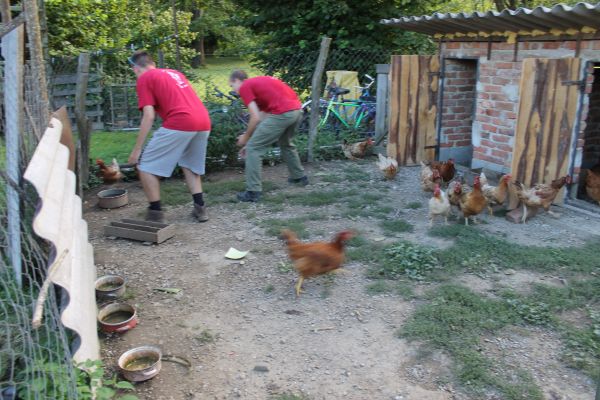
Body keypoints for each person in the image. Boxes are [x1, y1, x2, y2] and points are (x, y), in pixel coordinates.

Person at [127, 51, 211, 223]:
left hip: (181, 121)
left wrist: (137, 150)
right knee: (190, 165)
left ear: (135, 68)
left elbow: (148, 116)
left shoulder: (144, 78)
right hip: (203, 121)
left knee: (146, 167)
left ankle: (155, 213)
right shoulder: (174, 73)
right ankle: (200, 209)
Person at [229, 70, 308, 202]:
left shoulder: (245, 87)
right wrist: (251, 139)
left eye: (232, 86)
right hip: (297, 111)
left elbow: (254, 117)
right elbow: (261, 117)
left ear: (237, 80)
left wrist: (247, 139)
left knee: (253, 149)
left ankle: (253, 192)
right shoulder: (258, 84)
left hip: (283, 113)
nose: (234, 90)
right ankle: (299, 177)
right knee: (286, 144)